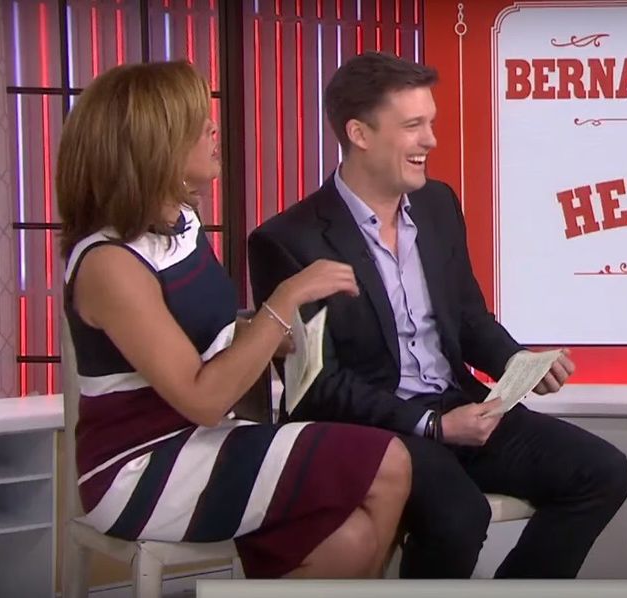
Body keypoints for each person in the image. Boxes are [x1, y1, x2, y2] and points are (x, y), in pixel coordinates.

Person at [246, 52, 627, 579]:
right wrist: (432, 426)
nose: (430, 140)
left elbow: (468, 317)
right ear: (359, 134)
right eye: (413, 126)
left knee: (602, 472)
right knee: (459, 516)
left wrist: (517, 361)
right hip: (372, 431)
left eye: (430, 123)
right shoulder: (288, 242)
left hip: (458, 406)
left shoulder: (437, 205)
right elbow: (316, 387)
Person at [58, 61, 412, 579]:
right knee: (388, 462)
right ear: (155, 146)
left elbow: (206, 339)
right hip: (140, 468)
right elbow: (202, 399)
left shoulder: (181, 224)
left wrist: (269, 337)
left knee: (352, 536)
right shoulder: (110, 263)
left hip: (206, 439)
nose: (213, 129)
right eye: (197, 122)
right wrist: (286, 299)